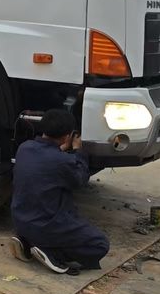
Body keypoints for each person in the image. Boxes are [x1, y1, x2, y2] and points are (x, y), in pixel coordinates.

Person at [8, 109, 110, 273]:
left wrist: (62, 149)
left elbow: (48, 159)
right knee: (100, 245)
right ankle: (51, 253)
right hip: (46, 225)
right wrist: (78, 151)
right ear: (67, 136)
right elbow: (80, 179)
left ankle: (27, 241)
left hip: (21, 220)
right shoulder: (63, 161)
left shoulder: (24, 148)